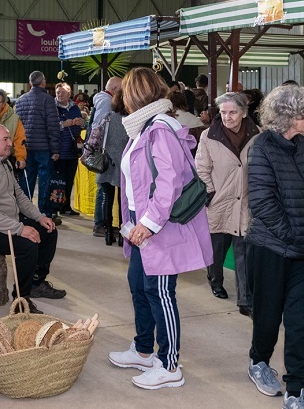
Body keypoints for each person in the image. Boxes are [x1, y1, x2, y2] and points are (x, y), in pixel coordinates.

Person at [108, 67, 212, 391]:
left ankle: (170, 365)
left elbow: (168, 185)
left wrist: (148, 225)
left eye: (125, 91)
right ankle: (143, 349)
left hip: (160, 224)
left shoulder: (159, 129)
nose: (121, 98)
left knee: (160, 293)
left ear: (136, 94)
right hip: (144, 223)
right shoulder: (142, 127)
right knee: (139, 285)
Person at [245, 84, 304, 409]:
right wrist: (294, 234)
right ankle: (258, 361)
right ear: (289, 115)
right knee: (267, 316)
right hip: (271, 250)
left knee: (298, 320)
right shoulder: (262, 147)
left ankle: (295, 388)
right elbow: (263, 203)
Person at [0, 124, 64, 313]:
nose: (10, 143)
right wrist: (19, 229)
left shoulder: (3, 162)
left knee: (49, 231)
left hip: (5, 221)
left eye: (9, 138)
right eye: (5, 139)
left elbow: (19, 195)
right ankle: (20, 300)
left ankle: (35, 283)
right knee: (27, 245)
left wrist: (39, 217)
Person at [195, 92, 260, 317]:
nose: (227, 117)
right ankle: (215, 280)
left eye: (233, 112)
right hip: (219, 202)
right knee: (217, 250)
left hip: (245, 202)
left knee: (244, 252)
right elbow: (201, 169)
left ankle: (245, 299)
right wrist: (211, 194)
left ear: (244, 112)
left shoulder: (257, 135)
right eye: (223, 112)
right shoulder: (208, 136)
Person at [15, 71, 61, 216]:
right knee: (44, 180)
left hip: (26, 147)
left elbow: (17, 125)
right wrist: (55, 149)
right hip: (43, 147)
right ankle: (44, 212)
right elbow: (52, 126)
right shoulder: (48, 99)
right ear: (42, 82)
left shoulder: (20, 100)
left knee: (27, 180)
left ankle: (25, 211)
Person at [93, 88, 127, 244]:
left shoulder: (107, 117)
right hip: (123, 165)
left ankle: (108, 234)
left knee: (107, 198)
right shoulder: (130, 120)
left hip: (106, 163)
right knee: (122, 201)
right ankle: (122, 235)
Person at [54, 82, 85, 218]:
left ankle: (66, 206)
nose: (60, 95)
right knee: (56, 181)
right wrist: (62, 124)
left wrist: (81, 122)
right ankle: (55, 207)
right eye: (58, 92)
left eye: (63, 92)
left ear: (69, 94)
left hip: (72, 151)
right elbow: (49, 126)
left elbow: (83, 125)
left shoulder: (74, 108)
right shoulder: (52, 108)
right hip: (58, 151)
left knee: (69, 180)